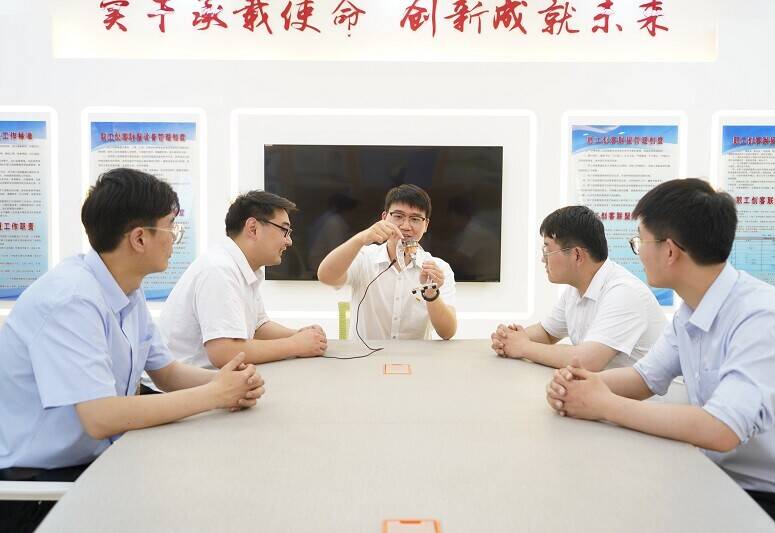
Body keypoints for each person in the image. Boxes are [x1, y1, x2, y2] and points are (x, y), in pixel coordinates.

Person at [0, 168, 265, 533]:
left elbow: (167, 372)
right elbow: (101, 417)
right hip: (35, 486)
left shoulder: (125, 287)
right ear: (139, 238)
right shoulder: (71, 299)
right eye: (170, 227)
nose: (175, 238)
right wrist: (214, 394)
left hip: (94, 460)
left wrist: (229, 383)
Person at [546, 179, 775, 529]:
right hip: (710, 472)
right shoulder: (692, 310)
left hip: (768, 498)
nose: (637, 252)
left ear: (669, 251)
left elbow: (722, 428)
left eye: (640, 241)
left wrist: (603, 404)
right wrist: (580, 385)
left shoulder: (763, 317)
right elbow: (643, 378)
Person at [158, 190, 327, 375]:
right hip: (183, 387)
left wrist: (300, 335)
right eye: (284, 230)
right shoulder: (219, 270)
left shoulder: (242, 267)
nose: (289, 241)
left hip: (210, 382)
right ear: (253, 228)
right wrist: (295, 345)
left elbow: (259, 326)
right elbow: (224, 352)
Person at [492, 206, 665, 370]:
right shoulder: (576, 289)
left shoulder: (624, 292)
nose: (543, 259)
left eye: (547, 250)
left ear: (576, 255)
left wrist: (523, 347)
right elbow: (547, 333)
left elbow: (588, 361)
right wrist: (508, 338)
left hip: (651, 393)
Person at [317, 184, 457, 340]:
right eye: (398, 216)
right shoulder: (365, 257)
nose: (406, 226)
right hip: (364, 354)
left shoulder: (438, 269)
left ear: (426, 225)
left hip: (415, 355)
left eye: (415, 219)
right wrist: (360, 239)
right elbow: (326, 276)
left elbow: (447, 333)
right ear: (384, 218)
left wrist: (431, 294)